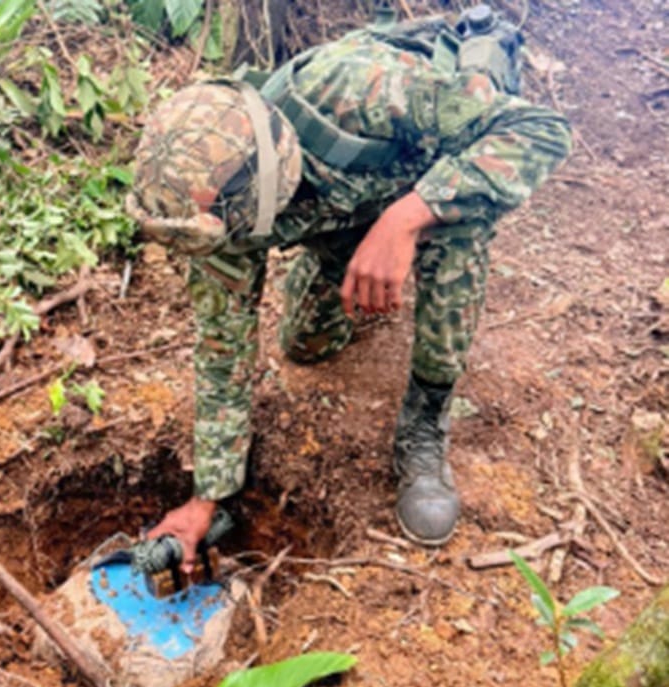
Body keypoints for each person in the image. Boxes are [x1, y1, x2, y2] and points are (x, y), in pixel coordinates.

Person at [125, 5, 572, 568]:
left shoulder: (361, 92)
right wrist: (207, 496)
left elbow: (540, 130)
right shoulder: (213, 207)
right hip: (344, 213)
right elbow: (221, 350)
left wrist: (408, 218)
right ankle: (348, 260)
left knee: (459, 231)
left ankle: (425, 421)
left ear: (257, 193)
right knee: (305, 346)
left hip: (427, 174)